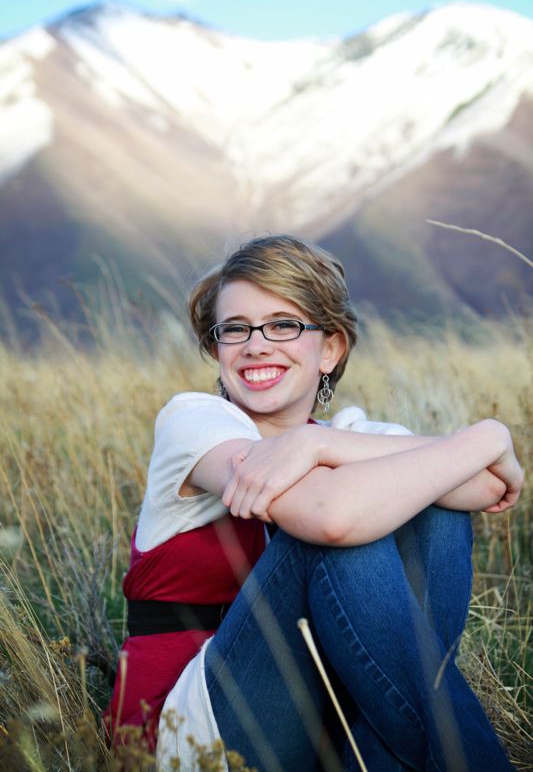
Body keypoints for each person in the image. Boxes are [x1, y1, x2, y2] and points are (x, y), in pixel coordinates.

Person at [106, 235, 523, 771]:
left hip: (316, 712)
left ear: (330, 348)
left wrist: (320, 442)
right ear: (217, 348)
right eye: (235, 329)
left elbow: (482, 485)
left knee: (433, 510)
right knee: (343, 532)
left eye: (283, 325)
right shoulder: (195, 423)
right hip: (189, 727)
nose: (256, 344)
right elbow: (329, 518)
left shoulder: (347, 433)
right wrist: (487, 435)